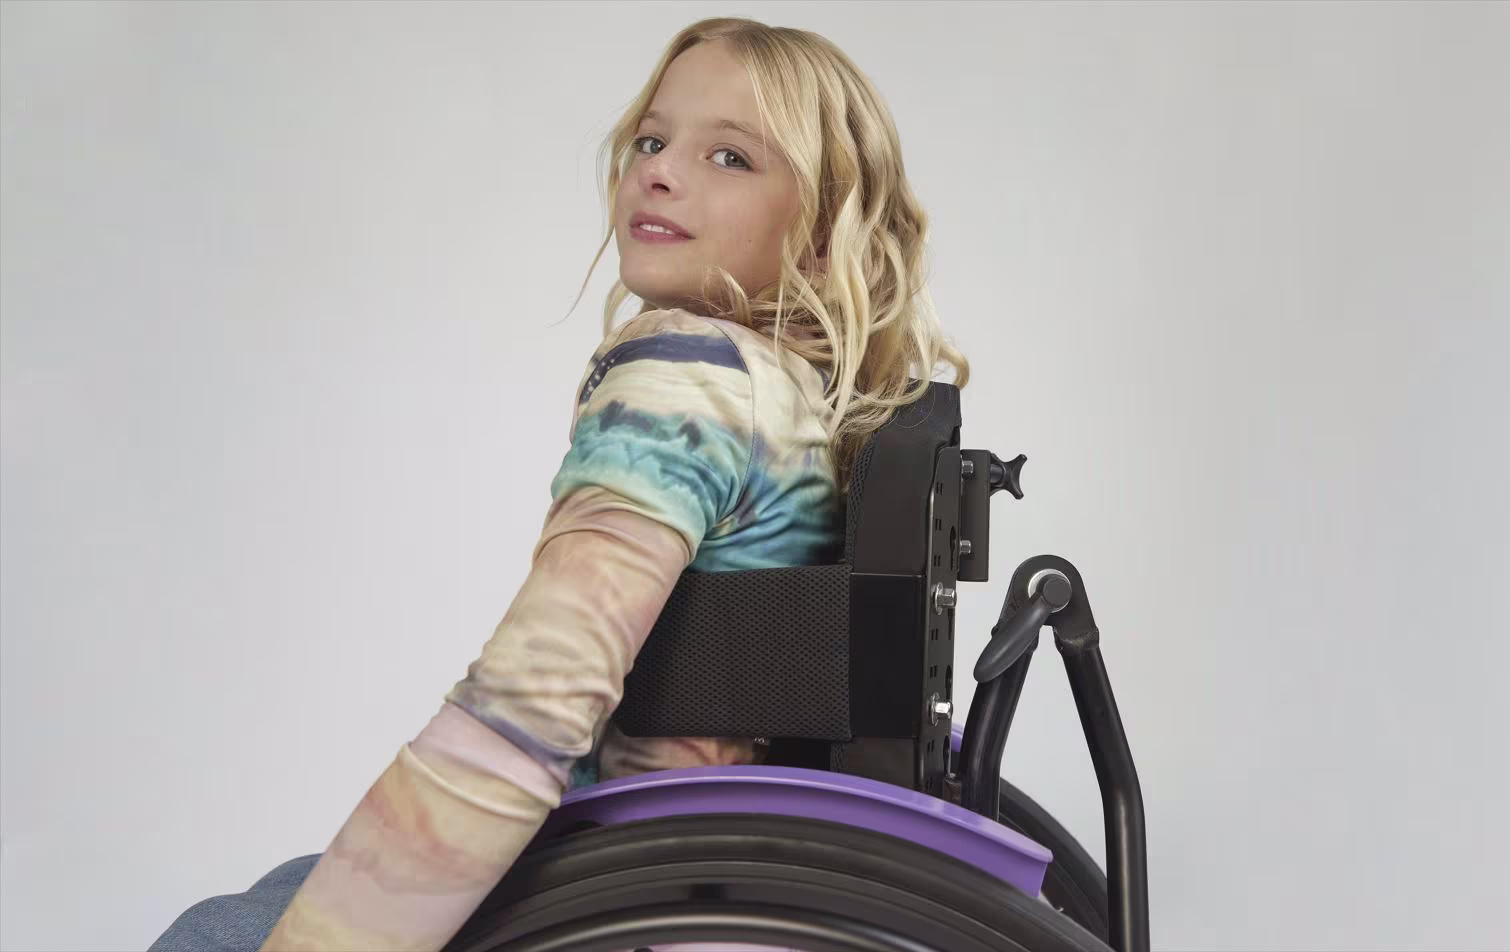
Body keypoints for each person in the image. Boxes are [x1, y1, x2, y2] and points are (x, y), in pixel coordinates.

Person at [150, 15, 967, 952]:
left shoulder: (685, 374)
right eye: (653, 140)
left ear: (822, 235)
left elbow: (530, 712)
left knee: (216, 934)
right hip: (711, 864)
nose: (659, 170)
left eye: (731, 157)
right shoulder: (799, 397)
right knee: (278, 888)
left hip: (632, 889)